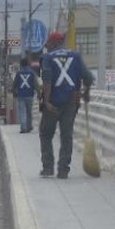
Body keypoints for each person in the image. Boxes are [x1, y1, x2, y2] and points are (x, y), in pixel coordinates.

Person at [38, 31, 94, 179]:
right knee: (66, 135)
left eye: (48, 45)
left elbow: (47, 81)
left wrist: (47, 101)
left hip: (53, 103)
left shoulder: (47, 58)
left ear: (53, 44)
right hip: (71, 102)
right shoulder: (76, 56)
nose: (47, 48)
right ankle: (63, 169)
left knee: (45, 133)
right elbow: (88, 78)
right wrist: (86, 92)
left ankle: (48, 167)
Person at [13, 57, 37, 133]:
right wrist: (39, 93)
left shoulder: (18, 73)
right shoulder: (32, 72)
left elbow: (15, 84)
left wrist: (14, 92)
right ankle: (29, 126)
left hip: (21, 95)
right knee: (29, 112)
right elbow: (36, 84)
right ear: (28, 64)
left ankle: (23, 128)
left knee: (22, 112)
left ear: (21, 64)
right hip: (30, 95)